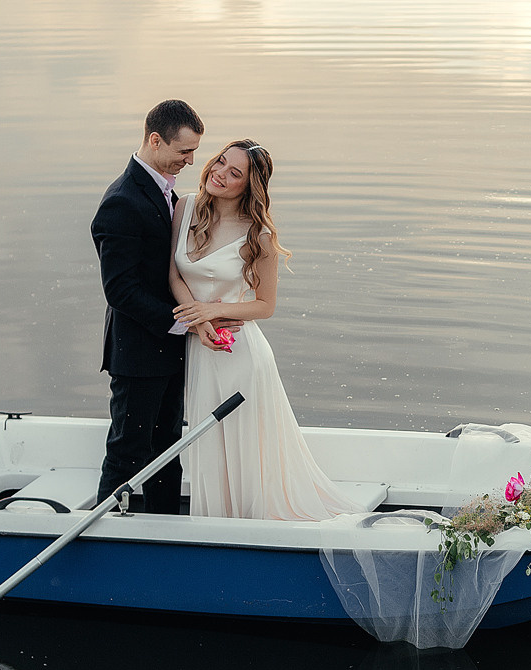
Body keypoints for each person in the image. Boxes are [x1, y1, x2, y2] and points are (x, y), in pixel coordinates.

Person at [168, 139, 361, 520]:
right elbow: (174, 273)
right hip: (202, 346)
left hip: (239, 353)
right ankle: (216, 530)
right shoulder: (186, 206)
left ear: (248, 186)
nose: (220, 174)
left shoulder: (259, 236)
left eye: (234, 173)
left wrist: (211, 310)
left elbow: (265, 305)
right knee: (209, 447)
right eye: (220, 162)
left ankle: (253, 529)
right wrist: (201, 319)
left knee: (246, 450)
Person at [92, 99, 229, 512]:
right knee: (128, 452)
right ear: (155, 140)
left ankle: (166, 530)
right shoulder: (122, 202)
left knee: (168, 447)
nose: (191, 161)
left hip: (167, 349)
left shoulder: (164, 191)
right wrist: (184, 323)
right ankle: (103, 537)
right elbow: (120, 291)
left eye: (193, 152)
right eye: (183, 151)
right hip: (137, 353)